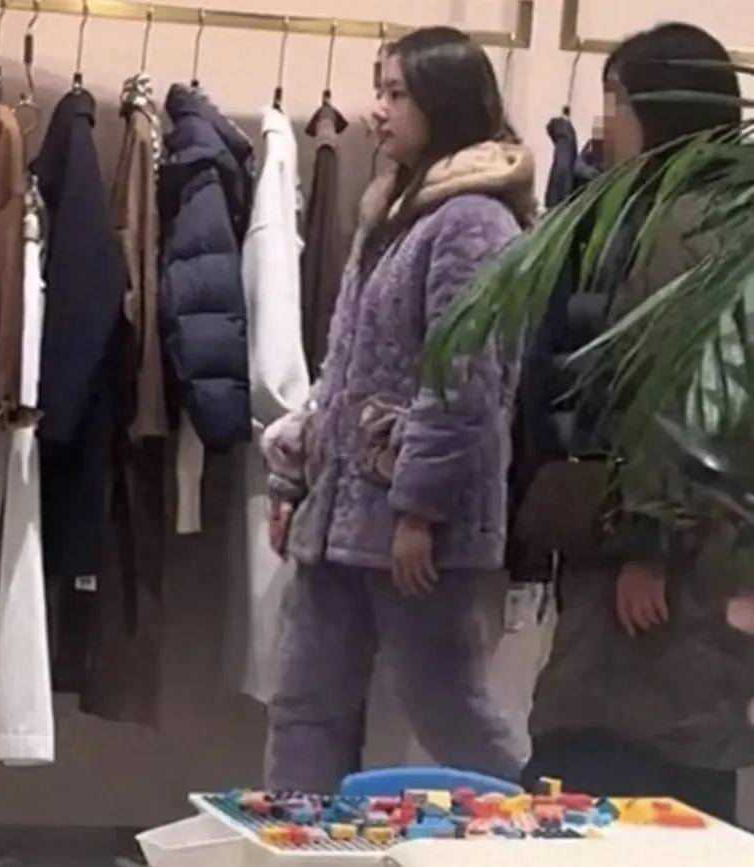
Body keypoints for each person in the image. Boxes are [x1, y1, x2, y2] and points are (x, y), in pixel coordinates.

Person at [261, 26, 537, 793]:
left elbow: (466, 380)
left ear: (443, 102)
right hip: (340, 510)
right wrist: (292, 477)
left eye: (397, 93)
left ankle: (532, 828)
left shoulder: (474, 222)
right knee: (305, 700)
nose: (378, 109)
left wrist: (420, 510)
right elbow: (343, 369)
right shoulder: (392, 209)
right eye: (378, 90)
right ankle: (298, 834)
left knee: (444, 704)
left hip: (418, 525)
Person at [521, 23, 754, 824]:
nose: (603, 123)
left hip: (670, 556)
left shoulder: (688, 228)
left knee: (630, 761)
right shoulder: (689, 215)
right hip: (681, 544)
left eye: (616, 99)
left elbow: (690, 397)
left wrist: (648, 542)